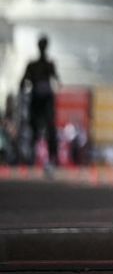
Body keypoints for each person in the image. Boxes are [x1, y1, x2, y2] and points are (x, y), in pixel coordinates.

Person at [20, 35, 61, 172]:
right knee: (34, 130)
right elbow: (22, 82)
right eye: (41, 45)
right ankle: (31, 156)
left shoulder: (49, 64)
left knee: (50, 129)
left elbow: (58, 81)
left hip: (46, 100)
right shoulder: (32, 65)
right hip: (36, 100)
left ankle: (52, 158)